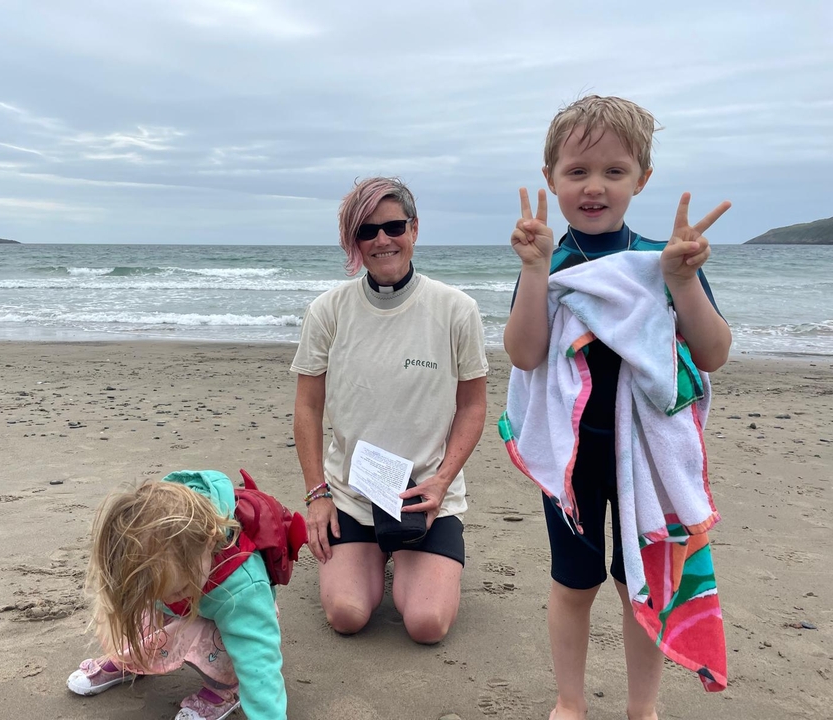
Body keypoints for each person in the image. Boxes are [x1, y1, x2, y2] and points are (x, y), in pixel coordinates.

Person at [504, 95, 732, 720]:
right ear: (551, 177)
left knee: (643, 584)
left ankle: (643, 707)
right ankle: (569, 701)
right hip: (573, 458)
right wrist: (531, 271)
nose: (594, 186)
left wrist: (682, 283)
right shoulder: (549, 264)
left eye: (614, 171)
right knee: (573, 584)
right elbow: (524, 355)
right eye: (577, 171)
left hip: (649, 460)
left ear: (642, 179)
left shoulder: (664, 261)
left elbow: (711, 354)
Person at [291, 176, 489, 644]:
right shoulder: (328, 310)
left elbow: (473, 405)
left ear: (414, 230)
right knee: (347, 614)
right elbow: (307, 405)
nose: (382, 239)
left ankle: (413, 560)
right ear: (354, 242)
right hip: (351, 497)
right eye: (367, 230)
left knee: (426, 624)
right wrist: (317, 494)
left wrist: (441, 480)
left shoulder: (456, 310)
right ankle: (371, 558)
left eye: (393, 226)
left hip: (426, 497)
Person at [65, 470, 287, 720]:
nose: (170, 598)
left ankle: (225, 688)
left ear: (209, 541)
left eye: (179, 589)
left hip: (233, 621)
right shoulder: (162, 548)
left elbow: (259, 667)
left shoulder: (244, 585)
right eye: (162, 593)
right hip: (188, 608)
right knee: (137, 607)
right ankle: (132, 658)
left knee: (230, 644)